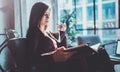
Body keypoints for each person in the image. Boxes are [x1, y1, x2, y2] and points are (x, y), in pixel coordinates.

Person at [26, 2, 115, 72]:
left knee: (99, 51)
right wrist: (52, 57)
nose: (48, 17)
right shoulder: (34, 32)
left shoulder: (47, 32)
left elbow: (62, 47)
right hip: (53, 66)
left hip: (61, 62)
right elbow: (32, 59)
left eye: (49, 14)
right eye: (45, 14)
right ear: (37, 15)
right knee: (94, 58)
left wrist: (62, 32)